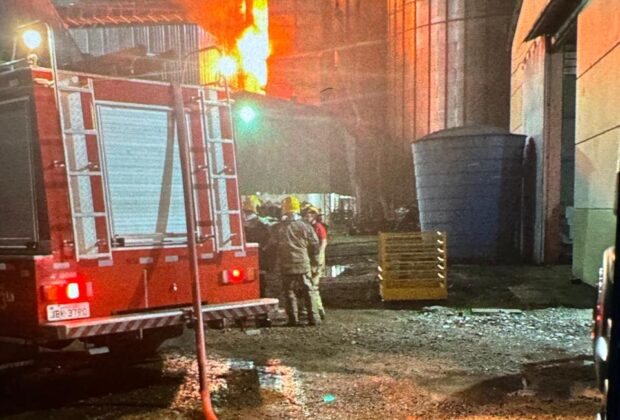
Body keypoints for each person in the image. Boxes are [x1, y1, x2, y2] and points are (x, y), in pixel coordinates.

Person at [272, 196, 321, 326]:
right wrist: (315, 263)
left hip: (286, 265)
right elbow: (315, 244)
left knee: (289, 291)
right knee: (308, 290)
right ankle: (314, 318)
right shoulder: (305, 226)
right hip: (302, 263)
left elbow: (273, 244)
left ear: (284, 210)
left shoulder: (279, 228)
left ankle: (293, 319)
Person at [303, 206, 328, 320]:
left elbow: (323, 243)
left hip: (316, 258)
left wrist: (319, 259)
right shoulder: (308, 227)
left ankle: (318, 309)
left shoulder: (318, 227)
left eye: (309, 214)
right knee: (310, 285)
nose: (306, 216)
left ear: (314, 215)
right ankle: (317, 309)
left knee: (313, 285)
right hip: (309, 258)